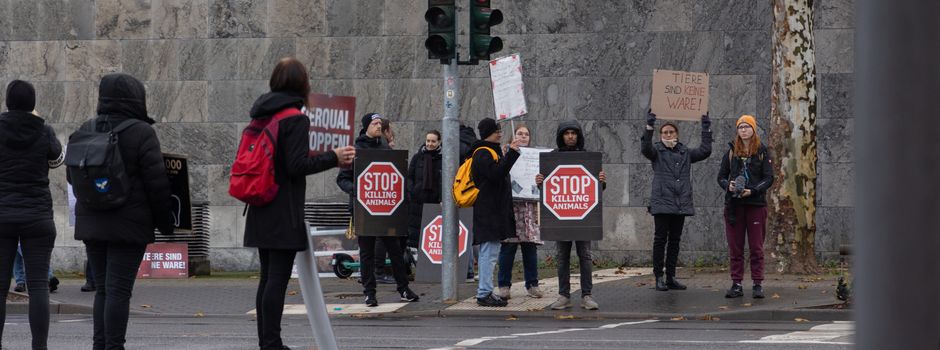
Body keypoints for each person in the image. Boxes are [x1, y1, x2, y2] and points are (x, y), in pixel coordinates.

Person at [242, 58, 355, 350]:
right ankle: (272, 344)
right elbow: (296, 165)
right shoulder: (294, 117)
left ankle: (267, 342)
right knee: (277, 279)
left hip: (259, 204)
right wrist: (333, 157)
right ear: (301, 83)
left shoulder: (262, 114)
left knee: (267, 278)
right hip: (283, 209)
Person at [70, 73, 174, 350]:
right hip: (129, 225)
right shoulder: (142, 132)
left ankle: (100, 345)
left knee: (103, 290)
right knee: (119, 291)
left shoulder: (87, 128)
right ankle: (114, 346)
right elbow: (157, 184)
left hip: (92, 223)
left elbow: (73, 177)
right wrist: (166, 224)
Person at [0, 79, 63, 350]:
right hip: (37, 216)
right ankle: (39, 346)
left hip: (2, 216)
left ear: (7, 101)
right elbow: (57, 159)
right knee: (38, 287)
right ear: (33, 103)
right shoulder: (44, 130)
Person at [337, 112, 419, 307]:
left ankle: (403, 288)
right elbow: (342, 179)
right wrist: (357, 190)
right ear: (366, 126)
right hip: (364, 210)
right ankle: (369, 293)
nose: (379, 126)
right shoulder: (355, 150)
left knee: (395, 251)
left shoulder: (384, 147)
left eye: (380, 123)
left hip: (388, 210)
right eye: (375, 123)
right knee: (367, 253)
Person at [536, 120, 606, 310]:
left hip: (584, 217)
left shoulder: (587, 157)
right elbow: (548, 190)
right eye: (566, 133)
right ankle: (564, 296)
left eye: (573, 133)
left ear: (578, 136)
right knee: (562, 257)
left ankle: (587, 295)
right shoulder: (552, 158)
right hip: (561, 218)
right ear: (561, 136)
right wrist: (540, 182)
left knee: (585, 256)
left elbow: (595, 190)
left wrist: (601, 181)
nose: (570, 136)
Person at [641, 111, 713, 291]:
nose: (668, 134)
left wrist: (705, 128)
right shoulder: (657, 151)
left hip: (680, 203)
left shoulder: (684, 152)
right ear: (660, 135)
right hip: (662, 202)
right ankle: (659, 277)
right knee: (660, 240)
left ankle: (671, 277)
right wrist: (649, 126)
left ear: (677, 134)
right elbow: (645, 148)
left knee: (675, 241)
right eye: (665, 132)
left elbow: (705, 151)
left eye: (671, 132)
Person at [717, 115, 774, 299]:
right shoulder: (731, 152)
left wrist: (753, 190)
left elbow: (769, 178)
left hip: (756, 205)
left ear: (753, 129)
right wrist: (729, 186)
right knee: (735, 247)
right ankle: (737, 284)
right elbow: (721, 177)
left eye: (747, 126)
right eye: (740, 127)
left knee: (756, 247)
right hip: (734, 206)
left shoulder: (762, 151)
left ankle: (757, 284)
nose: (743, 130)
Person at [470, 118, 520, 307]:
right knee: (488, 254)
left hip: (491, 210)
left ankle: (486, 291)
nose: (500, 134)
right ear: (488, 133)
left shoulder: (488, 151)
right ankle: (484, 293)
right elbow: (496, 174)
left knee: (490, 253)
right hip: (488, 211)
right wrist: (512, 154)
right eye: (497, 131)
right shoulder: (483, 153)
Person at [495, 125, 544, 300]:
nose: (523, 136)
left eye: (526, 134)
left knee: (530, 247)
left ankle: (532, 284)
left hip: (529, 207)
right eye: (520, 133)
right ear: (513, 136)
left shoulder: (535, 156)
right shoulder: (504, 153)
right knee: (508, 247)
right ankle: (504, 285)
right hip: (511, 207)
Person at [406, 130, 443, 249]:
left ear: (439, 142)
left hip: (435, 203)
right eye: (428, 141)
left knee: (431, 237)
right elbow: (409, 176)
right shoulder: (417, 157)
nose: (430, 144)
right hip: (417, 201)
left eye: (433, 141)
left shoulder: (443, 159)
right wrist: (412, 191)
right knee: (416, 236)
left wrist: (441, 198)